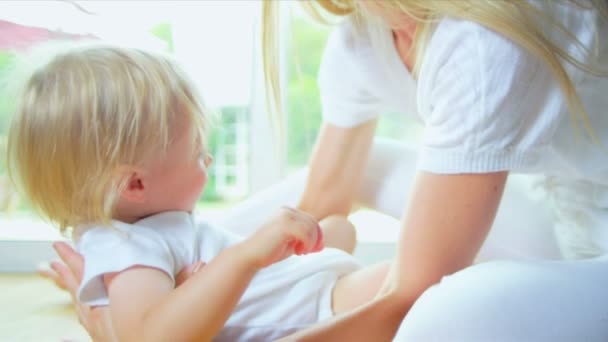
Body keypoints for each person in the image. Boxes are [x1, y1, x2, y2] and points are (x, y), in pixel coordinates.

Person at [42, 0, 608, 340]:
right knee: (360, 177)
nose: (207, 160)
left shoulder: (480, 43)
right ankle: (151, 276)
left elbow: (408, 296)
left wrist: (129, 326)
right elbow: (326, 200)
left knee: (442, 315)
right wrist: (137, 285)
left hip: (593, 248)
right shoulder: (364, 39)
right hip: (562, 213)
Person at [7, 42, 391, 341]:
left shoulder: (139, 231)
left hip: (296, 294)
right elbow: (149, 337)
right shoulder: (126, 248)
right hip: (315, 309)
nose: (206, 159)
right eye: (195, 153)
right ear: (135, 184)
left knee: (338, 228)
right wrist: (247, 255)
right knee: (414, 284)